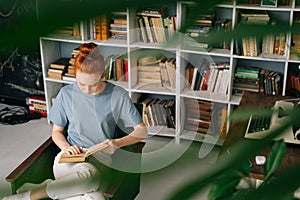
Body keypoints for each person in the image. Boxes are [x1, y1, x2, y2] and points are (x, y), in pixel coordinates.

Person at [3, 42, 148, 200]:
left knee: (97, 196)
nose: (86, 90)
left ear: (103, 75)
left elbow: (141, 131)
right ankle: (27, 197)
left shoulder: (117, 95)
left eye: (92, 85)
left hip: (102, 160)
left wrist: (118, 143)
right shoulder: (66, 94)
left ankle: (45, 189)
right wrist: (66, 147)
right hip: (69, 160)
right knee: (89, 179)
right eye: (81, 84)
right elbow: (57, 132)